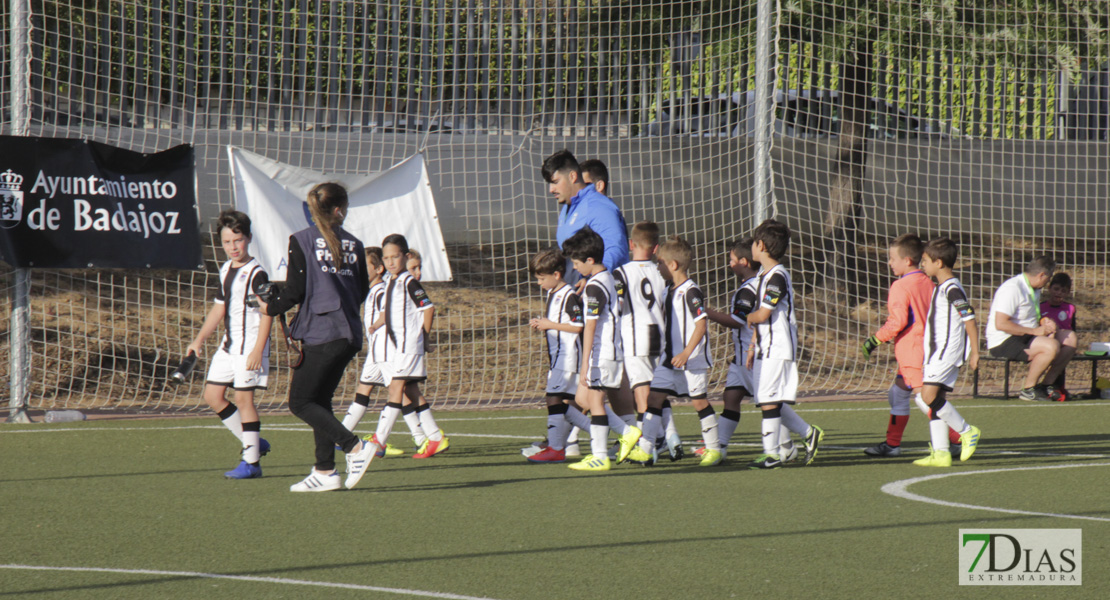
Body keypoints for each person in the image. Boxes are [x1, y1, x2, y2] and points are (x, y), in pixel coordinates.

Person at [260, 182, 377, 492]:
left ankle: (354, 446)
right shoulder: (354, 243)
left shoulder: (302, 240)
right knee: (320, 401)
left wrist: (269, 305)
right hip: (349, 332)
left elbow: (295, 291)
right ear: (338, 210)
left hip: (324, 332)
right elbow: (362, 290)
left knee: (299, 402)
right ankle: (325, 471)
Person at [185, 209, 273, 479]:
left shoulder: (257, 273)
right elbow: (219, 309)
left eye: (238, 240)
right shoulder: (225, 269)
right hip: (228, 346)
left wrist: (258, 350)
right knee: (212, 396)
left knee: (243, 399)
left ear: (248, 238)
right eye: (227, 242)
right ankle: (254, 443)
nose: (233, 247)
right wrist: (199, 340)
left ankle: (252, 463)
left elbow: (269, 312)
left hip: (249, 347)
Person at [696, 237, 797, 461]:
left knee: (769, 403)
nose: (729, 264)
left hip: (752, 358)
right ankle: (719, 448)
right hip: (741, 358)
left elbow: (738, 321)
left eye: (732, 260)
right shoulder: (753, 285)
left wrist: (707, 312)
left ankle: (790, 443)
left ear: (743, 261)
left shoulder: (750, 290)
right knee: (731, 397)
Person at [860, 234, 959, 457]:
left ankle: (958, 437)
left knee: (925, 398)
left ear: (906, 261)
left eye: (892, 258)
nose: (889, 262)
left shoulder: (900, 285)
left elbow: (898, 322)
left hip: (913, 351)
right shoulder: (928, 282)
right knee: (898, 392)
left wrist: (874, 340)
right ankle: (892, 444)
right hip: (928, 347)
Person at [633, 235, 721, 467]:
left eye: (660, 262)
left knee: (699, 402)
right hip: (668, 359)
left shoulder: (692, 291)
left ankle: (714, 449)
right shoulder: (666, 291)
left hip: (691, 360)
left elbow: (701, 324)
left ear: (673, 265)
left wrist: (686, 353)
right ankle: (645, 449)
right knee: (654, 398)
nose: (657, 266)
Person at [362, 234, 449, 464]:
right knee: (410, 391)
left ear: (405, 256)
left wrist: (426, 337)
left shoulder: (409, 281)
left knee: (395, 390)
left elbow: (427, 308)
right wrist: (377, 324)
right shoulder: (391, 281)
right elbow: (390, 312)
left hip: (409, 345)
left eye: (396, 257)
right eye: (387, 258)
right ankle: (434, 436)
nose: (391, 262)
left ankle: (378, 440)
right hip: (398, 347)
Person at [561, 227, 642, 471]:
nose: (574, 268)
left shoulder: (594, 288)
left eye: (576, 263)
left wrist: (585, 362)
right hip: (609, 351)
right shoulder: (606, 277)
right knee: (584, 398)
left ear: (589, 260)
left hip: (602, 352)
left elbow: (591, 327)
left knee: (594, 402)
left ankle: (600, 455)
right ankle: (627, 433)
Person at [745, 219, 823, 469]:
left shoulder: (777, 276)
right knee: (769, 399)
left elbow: (764, 314)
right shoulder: (763, 274)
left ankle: (772, 454)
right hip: (765, 347)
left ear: (762, 246)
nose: (751, 248)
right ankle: (809, 433)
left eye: (754, 243)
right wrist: (753, 344)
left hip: (777, 348)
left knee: (768, 400)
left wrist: (748, 316)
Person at [915, 237, 982, 467]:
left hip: (946, 352)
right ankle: (941, 453)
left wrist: (975, 351)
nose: (921, 264)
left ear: (939, 262)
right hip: (937, 352)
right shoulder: (943, 287)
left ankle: (966, 431)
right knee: (936, 401)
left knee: (927, 397)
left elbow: (969, 318)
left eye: (925, 260)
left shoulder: (952, 288)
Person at [338, 247, 403, 458]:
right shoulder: (372, 290)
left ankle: (381, 440)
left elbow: (389, 311)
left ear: (378, 268)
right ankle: (341, 434)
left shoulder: (382, 289)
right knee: (363, 388)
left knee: (399, 392)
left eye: (364, 267)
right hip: (376, 352)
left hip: (386, 350)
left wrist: (375, 325)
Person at [525, 248, 588, 463]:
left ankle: (555, 448)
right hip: (559, 357)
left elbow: (578, 325)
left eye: (542, 279)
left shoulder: (569, 295)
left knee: (553, 398)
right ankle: (597, 429)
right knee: (569, 401)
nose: (539, 283)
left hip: (568, 357)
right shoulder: (553, 293)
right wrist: (543, 324)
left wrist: (549, 324)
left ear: (557, 275)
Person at [985, 256, 1072, 401]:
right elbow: (1001, 324)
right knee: (1051, 346)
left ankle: (1046, 385)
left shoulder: (1034, 288)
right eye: (1048, 278)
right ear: (1041, 275)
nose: (1048, 282)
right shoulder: (1012, 288)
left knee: (1070, 339)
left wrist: (1045, 322)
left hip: (1025, 335)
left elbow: (1030, 317)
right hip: (1003, 340)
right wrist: (1034, 331)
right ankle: (1028, 389)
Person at [544, 150, 629, 274]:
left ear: (572, 176)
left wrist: (595, 279)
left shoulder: (598, 206)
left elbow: (615, 249)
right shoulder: (568, 207)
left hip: (601, 289)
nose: (551, 189)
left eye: (555, 182)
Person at [1039, 272, 1078, 401]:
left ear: (1067, 293)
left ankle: (1057, 386)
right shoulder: (1041, 307)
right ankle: (1047, 386)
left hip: (1064, 343)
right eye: (1056, 289)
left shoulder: (1070, 308)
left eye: (1063, 291)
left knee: (1066, 349)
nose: (1059, 293)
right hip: (1046, 343)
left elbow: (1072, 328)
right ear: (1049, 288)